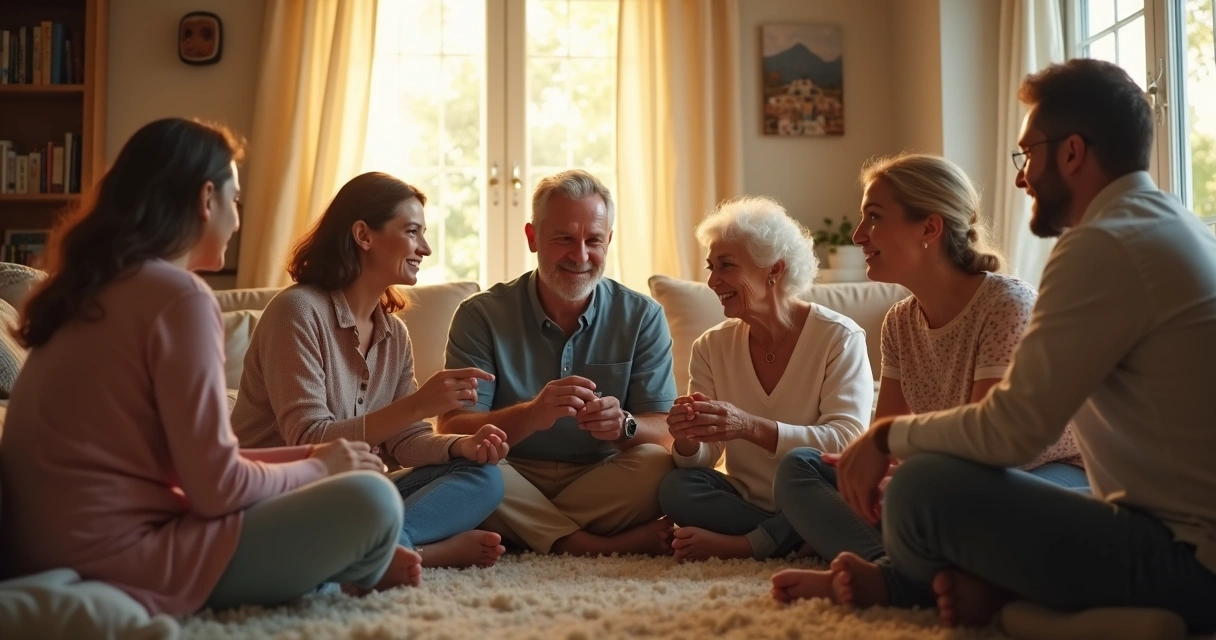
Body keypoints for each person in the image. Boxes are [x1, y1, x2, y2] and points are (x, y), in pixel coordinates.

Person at [783, 59, 1216, 636]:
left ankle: (930, 589)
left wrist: (887, 437)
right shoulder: (1175, 228)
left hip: (1186, 561)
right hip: (1171, 540)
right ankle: (1019, 608)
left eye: (1027, 155)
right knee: (871, 477)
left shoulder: (1103, 245)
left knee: (921, 487)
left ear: (1072, 153)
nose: (1021, 178)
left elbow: (1012, 433)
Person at [0, 118, 418, 617]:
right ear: (205, 199)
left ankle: (346, 567)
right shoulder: (179, 297)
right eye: (235, 202)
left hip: (41, 550)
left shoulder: (83, 290)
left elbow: (186, 469)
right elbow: (216, 487)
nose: (238, 220)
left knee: (348, 486)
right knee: (375, 500)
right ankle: (354, 570)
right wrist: (320, 467)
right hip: (126, 559)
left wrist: (317, 455)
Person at [770, 153, 1085, 587]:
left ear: (930, 228)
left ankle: (899, 579)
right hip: (948, 477)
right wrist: (873, 474)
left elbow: (986, 445)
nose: (859, 235)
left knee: (935, 488)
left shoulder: (1006, 305)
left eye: (874, 217)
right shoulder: (899, 321)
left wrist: (900, 477)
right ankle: (901, 570)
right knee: (801, 467)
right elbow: (888, 436)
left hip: (1044, 474)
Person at [231, 172, 508, 570]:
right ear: (363, 235)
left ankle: (392, 547)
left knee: (485, 478)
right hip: (281, 496)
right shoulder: (297, 312)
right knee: (365, 495)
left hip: (351, 493)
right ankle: (397, 552)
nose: (425, 249)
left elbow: (407, 441)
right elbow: (309, 439)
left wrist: (460, 446)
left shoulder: (393, 333)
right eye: (412, 232)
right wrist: (417, 404)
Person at [437, 169, 677, 557]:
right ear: (533, 238)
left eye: (593, 240)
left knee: (659, 466)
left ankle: (526, 532)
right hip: (509, 471)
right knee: (471, 470)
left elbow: (666, 431)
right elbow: (451, 428)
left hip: (602, 476)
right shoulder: (480, 315)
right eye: (564, 238)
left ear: (609, 241)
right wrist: (533, 413)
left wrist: (624, 426)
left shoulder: (642, 315)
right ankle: (587, 544)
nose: (580, 256)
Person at [658, 196, 873, 562]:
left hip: (817, 492)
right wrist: (688, 440)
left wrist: (748, 426)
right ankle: (794, 536)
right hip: (747, 502)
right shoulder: (711, 347)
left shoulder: (839, 337)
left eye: (726, 266)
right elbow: (706, 458)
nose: (712, 281)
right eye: (711, 267)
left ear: (774, 269)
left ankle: (751, 545)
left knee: (808, 468)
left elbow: (845, 442)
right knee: (676, 488)